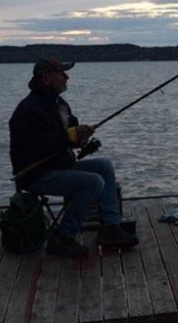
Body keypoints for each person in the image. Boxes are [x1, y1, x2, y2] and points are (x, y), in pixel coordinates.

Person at [9, 57, 138, 257]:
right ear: (46, 78)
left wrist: (80, 138)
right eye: (61, 73)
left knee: (104, 166)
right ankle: (64, 236)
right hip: (36, 174)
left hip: (60, 165)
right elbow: (36, 145)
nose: (66, 77)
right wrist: (70, 136)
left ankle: (110, 228)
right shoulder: (28, 109)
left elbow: (68, 134)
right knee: (93, 182)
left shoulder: (59, 104)